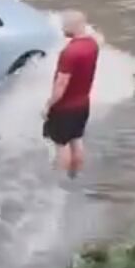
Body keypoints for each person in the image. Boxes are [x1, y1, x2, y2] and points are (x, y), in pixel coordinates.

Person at [42, 11, 99, 177]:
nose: (61, 28)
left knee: (61, 145)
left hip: (65, 107)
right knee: (76, 140)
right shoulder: (92, 45)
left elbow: (61, 84)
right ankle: (76, 174)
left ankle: (60, 182)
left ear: (70, 27)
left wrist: (49, 105)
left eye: (63, 25)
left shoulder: (69, 53)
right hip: (83, 104)